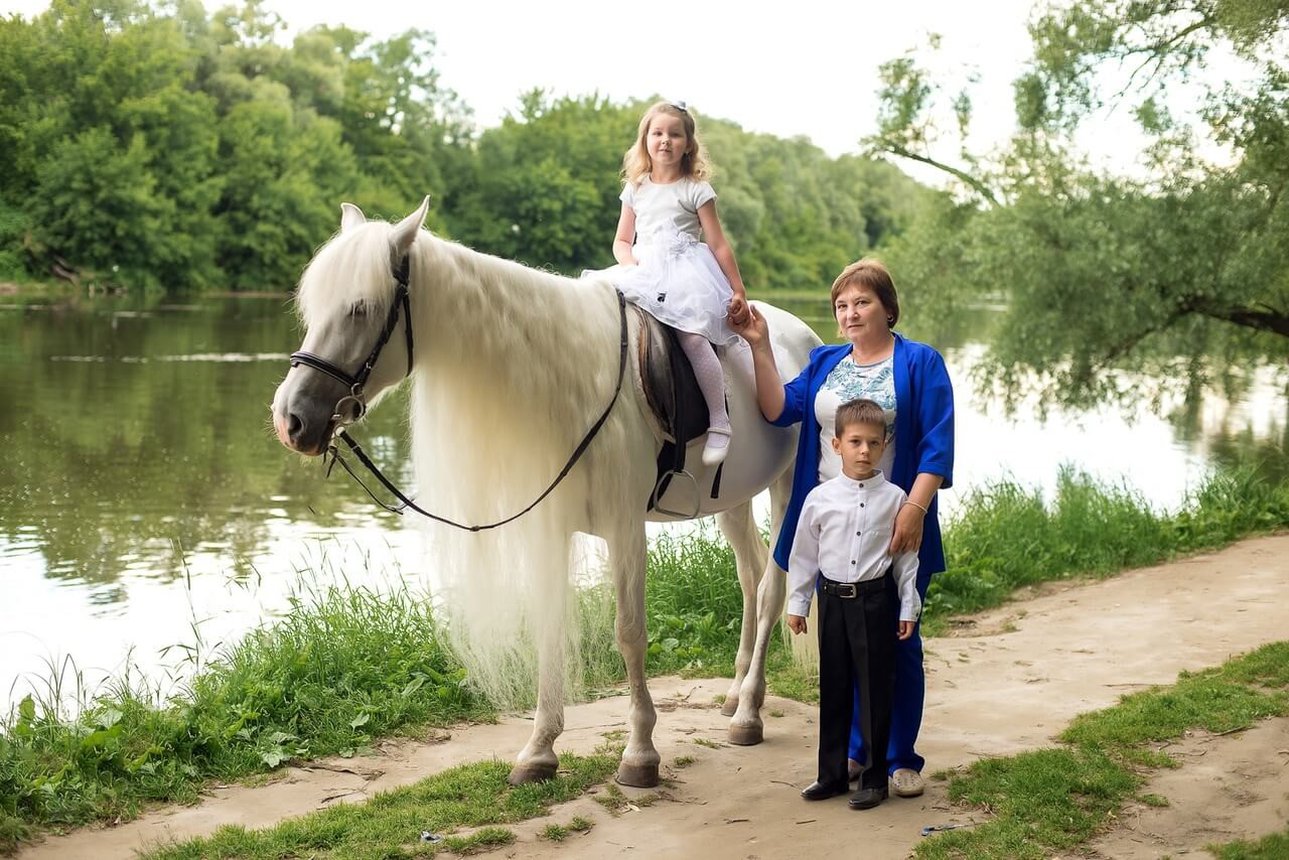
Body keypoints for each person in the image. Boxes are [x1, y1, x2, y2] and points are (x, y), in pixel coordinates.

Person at [730, 257, 954, 800]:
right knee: (846, 645)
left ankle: (900, 758)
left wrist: (914, 512)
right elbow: (780, 409)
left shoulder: (921, 363)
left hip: (893, 522)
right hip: (832, 527)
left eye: (863, 303)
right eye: (843, 306)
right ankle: (856, 754)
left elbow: (937, 447)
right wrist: (759, 345)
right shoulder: (826, 362)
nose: (851, 313)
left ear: (888, 308)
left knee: (897, 642)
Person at [588, 100, 749, 466]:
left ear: (688, 144)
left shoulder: (696, 189)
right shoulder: (636, 188)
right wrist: (631, 265)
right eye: (657, 133)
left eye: (674, 135)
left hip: (686, 271)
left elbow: (718, 243)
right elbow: (621, 241)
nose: (665, 141)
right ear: (645, 140)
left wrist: (737, 288)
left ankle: (719, 421)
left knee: (690, 336)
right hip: (644, 268)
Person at [788, 398, 920, 809]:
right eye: (856, 442)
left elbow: (905, 561)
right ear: (836, 444)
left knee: (877, 689)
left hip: (876, 602)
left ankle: (875, 779)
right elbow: (804, 555)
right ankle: (830, 776)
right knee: (835, 687)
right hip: (832, 602)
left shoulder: (896, 498)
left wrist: (906, 609)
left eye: (873, 443)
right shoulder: (820, 498)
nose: (864, 451)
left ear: (884, 446)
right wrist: (797, 602)